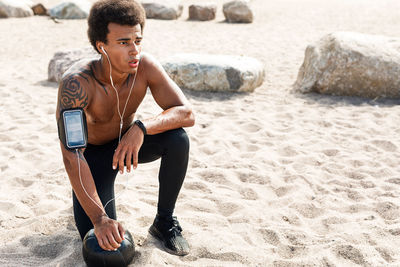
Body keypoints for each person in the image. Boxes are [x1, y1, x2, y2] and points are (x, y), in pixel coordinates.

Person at [55, 0, 195, 256]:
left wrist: (140, 128)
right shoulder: (77, 85)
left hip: (127, 145)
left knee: (178, 139)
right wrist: (99, 219)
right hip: (94, 157)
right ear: (102, 46)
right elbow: (72, 154)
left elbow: (186, 112)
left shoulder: (145, 67)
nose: (134, 51)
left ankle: (164, 222)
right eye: (123, 43)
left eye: (137, 41)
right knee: (105, 250)